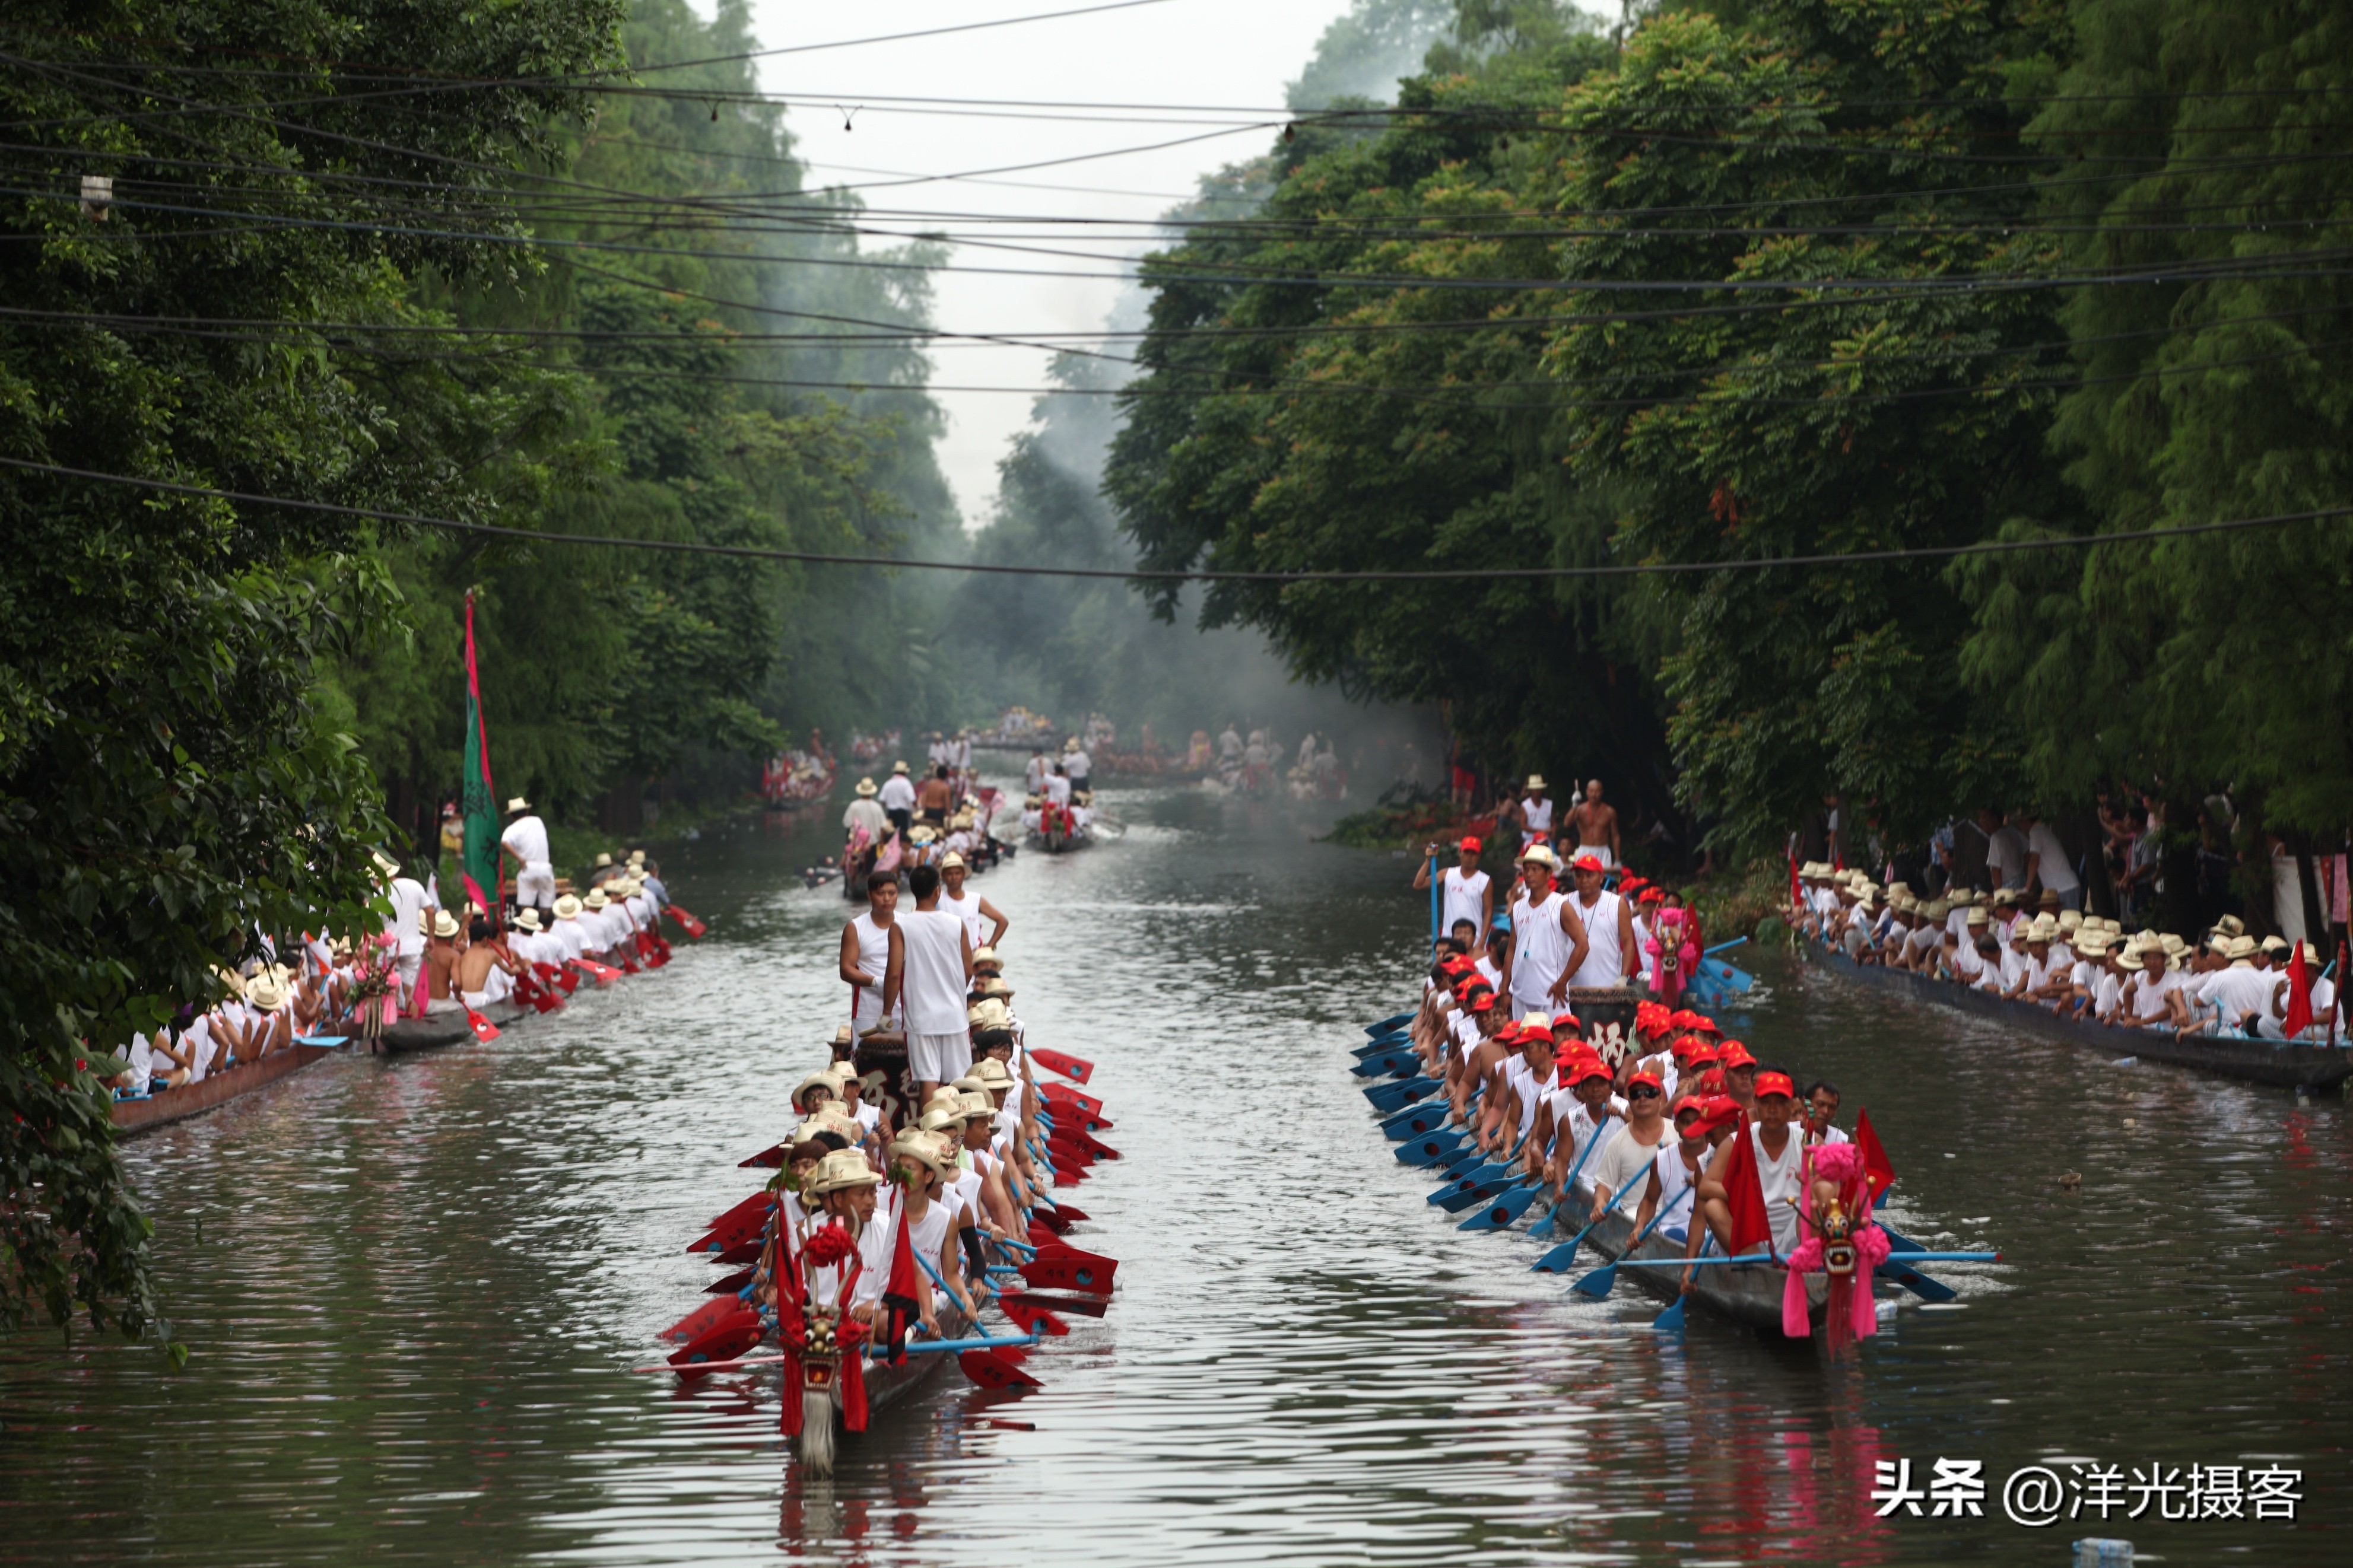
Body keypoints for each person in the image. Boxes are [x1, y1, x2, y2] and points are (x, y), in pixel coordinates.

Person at [884, 863, 974, 1110]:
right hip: (954, 1014)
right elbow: (969, 969)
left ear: (913, 891)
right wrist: (955, 993)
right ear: (938, 891)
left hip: (921, 1017)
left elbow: (893, 975)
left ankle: (931, 1136)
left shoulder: (901, 926)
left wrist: (886, 1013)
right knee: (958, 1081)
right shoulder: (957, 924)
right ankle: (961, 1139)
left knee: (929, 1079)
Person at [1507, 845, 1589, 1019]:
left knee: (1554, 1044)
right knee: (1523, 1044)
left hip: (1552, 994)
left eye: (1535, 869)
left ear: (1548, 873)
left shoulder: (1561, 906)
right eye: (1526, 869)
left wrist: (1563, 981)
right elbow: (1511, 949)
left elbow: (1583, 945)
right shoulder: (1517, 907)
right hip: (1521, 993)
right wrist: (1504, 988)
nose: (1528, 874)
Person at [1587, 1068, 1670, 1221]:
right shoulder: (1617, 1143)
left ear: (1660, 1098)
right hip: (1634, 1215)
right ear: (1629, 1100)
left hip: (1674, 1215)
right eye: (1636, 1094)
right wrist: (1600, 1204)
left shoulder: (1678, 1135)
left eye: (1650, 1093)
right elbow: (1604, 1185)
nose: (1643, 1099)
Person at [840, 873, 903, 1038]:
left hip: (903, 1010)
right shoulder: (856, 928)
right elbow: (846, 970)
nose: (887, 899)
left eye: (892, 893)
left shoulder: (907, 924)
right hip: (867, 1012)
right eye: (881, 894)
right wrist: (876, 982)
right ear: (870, 895)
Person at [1564, 853, 1638, 991]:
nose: (1583, 880)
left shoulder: (1617, 904)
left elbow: (1628, 943)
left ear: (1601, 878)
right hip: (1571, 987)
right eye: (1579, 876)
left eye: (1589, 875)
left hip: (1609, 986)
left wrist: (1623, 978)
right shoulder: (1564, 903)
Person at [1414, 836, 1493, 939]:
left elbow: (1488, 913)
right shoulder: (1447, 874)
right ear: (1460, 853)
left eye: (1473, 853)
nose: (1469, 857)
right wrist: (1428, 860)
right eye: (1466, 852)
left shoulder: (1485, 881)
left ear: (1479, 856)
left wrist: (1481, 943)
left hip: (1474, 939)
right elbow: (1418, 884)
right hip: (1449, 938)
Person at [937, 851, 1009, 950]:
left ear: (963, 874)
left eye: (957, 873)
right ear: (943, 876)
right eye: (950, 874)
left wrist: (989, 946)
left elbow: (1003, 921)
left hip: (973, 958)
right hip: (948, 958)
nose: (954, 878)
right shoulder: (937, 899)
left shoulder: (975, 899)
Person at [2017, 810, 2081, 911]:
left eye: (2020, 821)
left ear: (2026, 820)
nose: (2019, 824)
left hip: (2063, 887)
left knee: (2069, 922)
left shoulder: (2036, 832)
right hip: (2060, 887)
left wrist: (2027, 888)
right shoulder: (2042, 830)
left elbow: (2034, 861)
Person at [499, 797, 554, 915]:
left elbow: (504, 842)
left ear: (512, 816)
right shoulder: (538, 821)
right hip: (545, 867)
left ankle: (527, 926)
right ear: (527, 812)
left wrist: (520, 859)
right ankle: (547, 927)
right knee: (547, 906)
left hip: (528, 867)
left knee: (527, 908)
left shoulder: (513, 828)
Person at [1570, 778, 1622, 869]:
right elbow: (1567, 823)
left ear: (1602, 792)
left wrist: (1618, 860)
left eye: (1597, 792)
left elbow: (1615, 836)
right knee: (1583, 879)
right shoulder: (1580, 809)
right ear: (1587, 792)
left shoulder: (1610, 812)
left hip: (1603, 850)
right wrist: (1575, 805)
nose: (1594, 795)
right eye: (1592, 791)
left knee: (1603, 880)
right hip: (1585, 850)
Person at [879, 761, 917, 837]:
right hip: (903, 813)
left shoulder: (888, 783)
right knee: (902, 835)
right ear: (905, 773)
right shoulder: (906, 783)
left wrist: (889, 804)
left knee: (892, 834)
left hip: (891, 813)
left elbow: (883, 800)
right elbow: (913, 800)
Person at [1520, 774, 1555, 849]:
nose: (1537, 791)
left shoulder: (1549, 804)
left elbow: (1554, 823)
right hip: (1531, 841)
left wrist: (1554, 833)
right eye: (1535, 789)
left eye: (1539, 789)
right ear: (1531, 790)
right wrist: (1541, 831)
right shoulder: (1525, 806)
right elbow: (1523, 826)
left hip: (1546, 842)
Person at [917, 764, 954, 828]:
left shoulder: (930, 784)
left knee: (928, 830)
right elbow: (947, 803)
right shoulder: (946, 787)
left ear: (937, 774)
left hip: (928, 810)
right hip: (939, 812)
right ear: (946, 775)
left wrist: (923, 810)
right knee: (938, 831)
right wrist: (949, 815)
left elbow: (924, 798)